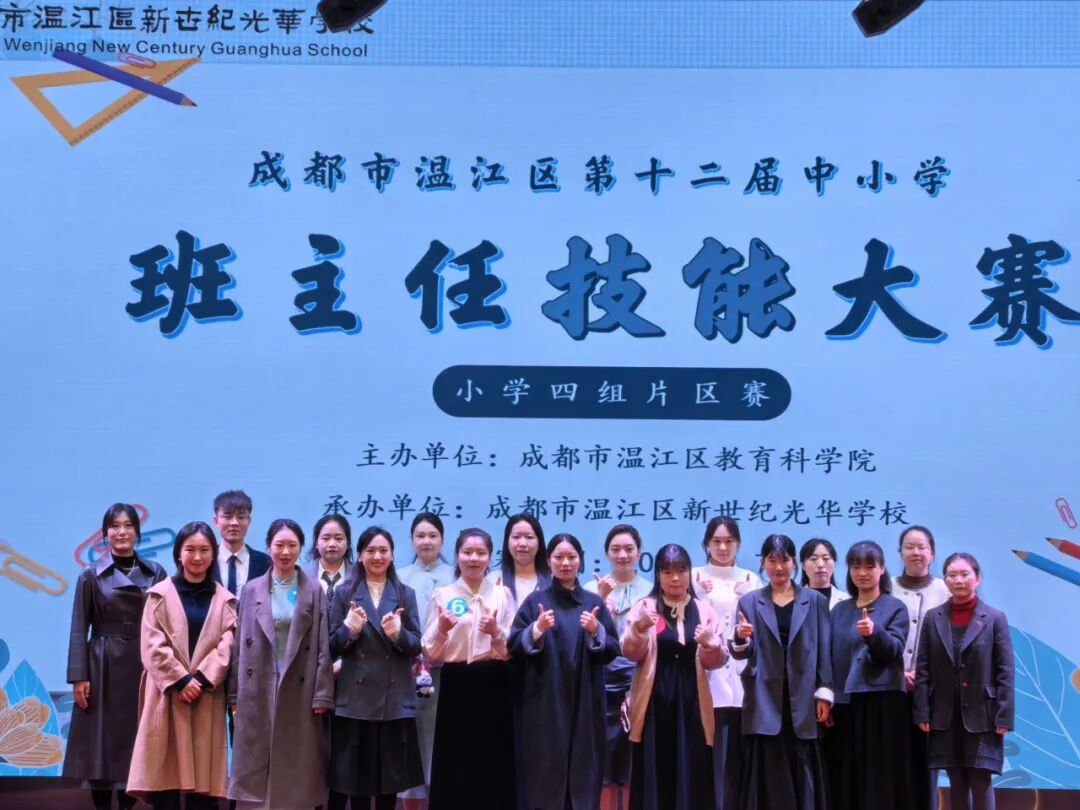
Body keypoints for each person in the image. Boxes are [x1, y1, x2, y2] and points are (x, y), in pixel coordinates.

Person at [127, 522, 238, 809]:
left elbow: (228, 644)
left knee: (203, 787)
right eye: (190, 549)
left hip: (205, 696)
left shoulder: (226, 601)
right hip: (167, 695)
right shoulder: (159, 595)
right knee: (165, 780)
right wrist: (180, 680)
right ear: (178, 553)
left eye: (204, 550)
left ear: (213, 554)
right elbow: (152, 646)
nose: (197, 557)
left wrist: (200, 678)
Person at [63, 503, 167, 810]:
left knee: (135, 743)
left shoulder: (156, 572)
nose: (122, 532)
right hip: (103, 666)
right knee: (102, 745)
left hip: (143, 665)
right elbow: (79, 627)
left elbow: (166, 625)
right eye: (115, 526)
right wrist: (79, 676)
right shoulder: (90, 574)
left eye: (128, 525)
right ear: (105, 533)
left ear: (137, 531)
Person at [227, 519, 334, 810]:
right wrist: (234, 693)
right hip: (260, 683)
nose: (285, 552)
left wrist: (322, 694)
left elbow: (323, 645)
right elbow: (240, 645)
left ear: (301, 548)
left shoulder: (313, 589)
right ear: (268, 547)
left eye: (292, 545)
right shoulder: (252, 589)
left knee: (296, 758)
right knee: (257, 757)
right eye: (279, 545)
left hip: (299, 684)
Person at [510, 533, 620, 810]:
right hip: (546, 702)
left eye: (571, 557)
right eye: (559, 557)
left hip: (587, 701)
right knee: (546, 771)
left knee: (585, 770)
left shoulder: (593, 602)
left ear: (580, 560)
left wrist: (596, 630)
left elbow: (612, 650)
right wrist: (536, 629)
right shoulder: (535, 602)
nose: (565, 563)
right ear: (548, 561)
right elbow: (514, 647)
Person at [621, 544, 727, 810]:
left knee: (692, 765)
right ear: (658, 575)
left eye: (681, 571)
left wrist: (711, 647)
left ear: (690, 573)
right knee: (654, 767)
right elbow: (630, 653)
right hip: (653, 701)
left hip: (693, 701)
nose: (675, 578)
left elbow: (718, 660)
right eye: (667, 572)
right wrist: (638, 630)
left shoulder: (704, 610)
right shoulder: (644, 607)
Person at [732, 534, 833, 810]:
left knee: (803, 761)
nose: (778, 567)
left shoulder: (814, 600)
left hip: (804, 693)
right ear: (762, 563)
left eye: (784, 560)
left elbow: (824, 649)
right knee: (768, 764)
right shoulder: (749, 601)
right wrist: (741, 638)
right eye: (772, 560)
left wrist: (824, 691)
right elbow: (741, 653)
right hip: (763, 693)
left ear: (794, 563)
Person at [327, 526, 424, 810]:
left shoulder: (405, 594)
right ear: (359, 555)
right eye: (370, 550)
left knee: (388, 783)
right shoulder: (344, 592)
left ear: (392, 555)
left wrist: (398, 634)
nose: (377, 556)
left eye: (383, 550)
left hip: (392, 702)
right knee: (356, 783)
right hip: (354, 702)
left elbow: (416, 646)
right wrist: (350, 629)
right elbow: (332, 646)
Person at [423, 528, 517, 810]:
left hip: (495, 682)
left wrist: (496, 632)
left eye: (480, 553)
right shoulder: (443, 595)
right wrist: (441, 630)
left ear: (490, 557)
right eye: (467, 552)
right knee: (456, 760)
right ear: (457, 556)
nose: (474, 558)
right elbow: (430, 653)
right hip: (457, 683)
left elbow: (514, 650)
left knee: (494, 758)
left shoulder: (502, 594)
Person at [914, 553, 1015, 810]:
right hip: (944, 714)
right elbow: (923, 668)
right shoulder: (933, 618)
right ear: (945, 579)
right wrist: (922, 711)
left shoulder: (994, 618)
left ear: (977, 579)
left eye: (964, 574)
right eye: (952, 575)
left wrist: (1004, 715)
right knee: (956, 780)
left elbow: (1005, 670)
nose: (958, 580)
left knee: (980, 779)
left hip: (983, 714)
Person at [827, 541, 912, 810]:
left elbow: (894, 651)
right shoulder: (839, 610)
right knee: (845, 772)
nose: (862, 573)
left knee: (879, 773)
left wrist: (874, 633)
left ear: (882, 569)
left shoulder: (895, 607)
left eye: (869, 566)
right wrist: (827, 697)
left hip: (881, 702)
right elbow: (828, 657)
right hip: (845, 703)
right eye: (856, 567)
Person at [691, 516, 763, 810]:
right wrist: (697, 595)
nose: (722, 548)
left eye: (729, 542)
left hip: (743, 678)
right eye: (716, 541)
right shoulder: (693, 576)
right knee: (710, 754)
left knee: (739, 759)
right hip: (707, 677)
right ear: (706, 544)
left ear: (738, 544)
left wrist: (749, 600)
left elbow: (762, 627)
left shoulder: (750, 579)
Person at [584, 524, 652, 810]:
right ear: (606, 553)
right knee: (599, 760)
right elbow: (581, 637)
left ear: (639, 552)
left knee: (633, 759)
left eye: (628, 549)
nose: (622, 555)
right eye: (615, 549)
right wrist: (599, 601)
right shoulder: (590, 590)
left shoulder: (651, 590)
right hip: (598, 681)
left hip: (638, 681)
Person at [396, 512, 456, 810]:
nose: (426, 541)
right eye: (420, 536)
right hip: (406, 674)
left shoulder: (456, 576)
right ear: (411, 540)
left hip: (447, 674)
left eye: (433, 536)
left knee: (443, 742)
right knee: (409, 746)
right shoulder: (399, 576)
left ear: (442, 540)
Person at [893, 525, 950, 810]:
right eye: (909, 547)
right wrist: (898, 673)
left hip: (931, 693)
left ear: (932, 552)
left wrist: (925, 676)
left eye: (922, 547)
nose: (915, 552)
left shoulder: (945, 590)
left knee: (927, 765)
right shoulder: (886, 587)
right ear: (900, 552)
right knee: (894, 762)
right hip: (891, 688)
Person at [212, 490, 271, 599]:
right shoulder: (205, 560)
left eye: (241, 517)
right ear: (216, 521)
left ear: (249, 521)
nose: (234, 523)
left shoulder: (265, 563)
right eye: (227, 516)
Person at [493, 512, 552, 603]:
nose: (523, 543)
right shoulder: (494, 580)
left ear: (539, 543)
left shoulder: (554, 580)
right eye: (516, 537)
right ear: (507, 542)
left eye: (529, 537)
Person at [799, 538, 849, 609]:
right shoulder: (793, 600)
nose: (820, 565)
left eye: (826, 558)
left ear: (834, 563)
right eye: (813, 559)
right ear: (803, 565)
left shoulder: (848, 600)